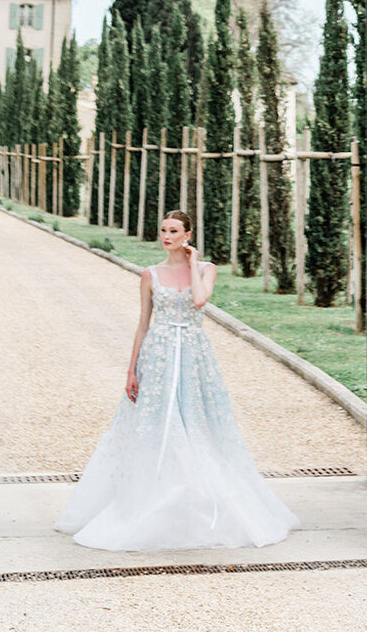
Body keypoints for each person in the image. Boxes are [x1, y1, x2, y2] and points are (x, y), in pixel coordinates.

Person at [56, 208, 300, 551]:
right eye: (163, 230)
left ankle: (201, 496)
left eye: (174, 231)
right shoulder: (149, 275)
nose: (166, 236)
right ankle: (152, 492)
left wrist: (194, 261)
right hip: (158, 353)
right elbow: (143, 324)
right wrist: (131, 370)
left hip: (195, 353)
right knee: (157, 420)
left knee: (198, 421)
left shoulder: (205, 270)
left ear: (187, 235)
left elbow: (200, 300)